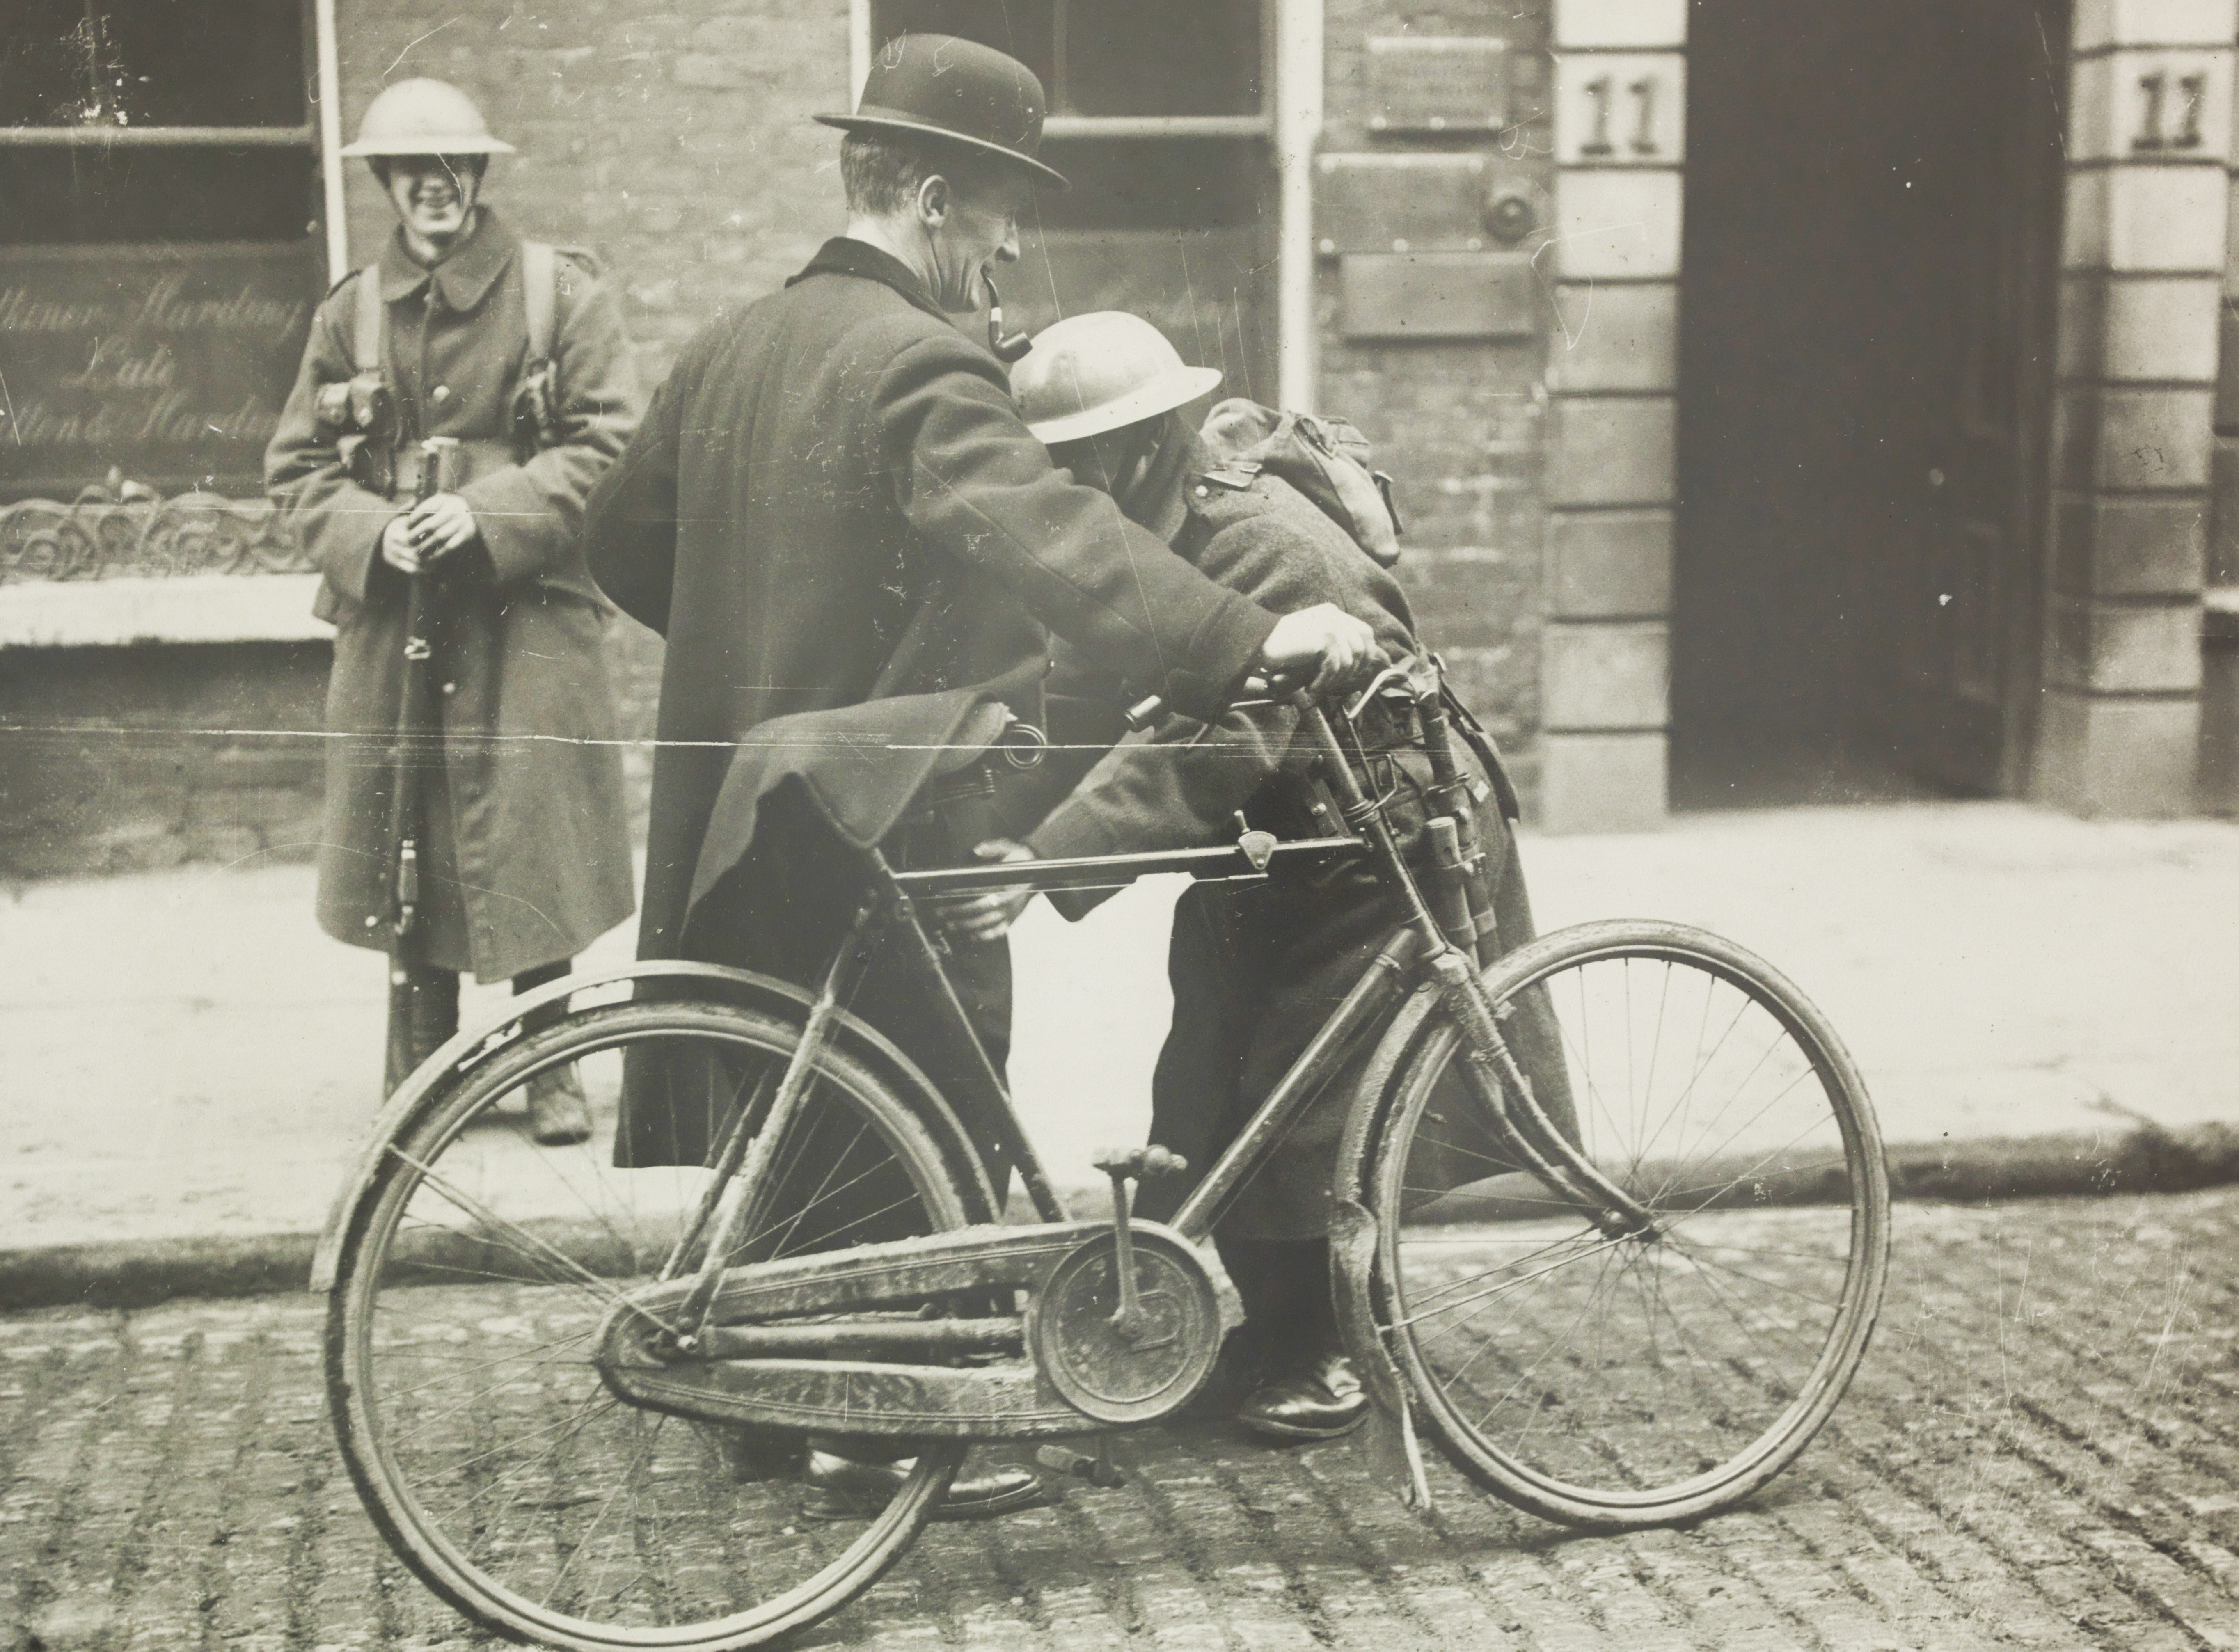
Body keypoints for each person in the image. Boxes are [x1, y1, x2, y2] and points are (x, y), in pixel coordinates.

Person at [583, 36, 1376, 1516]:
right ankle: (895, 1431)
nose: (1012, 249)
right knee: (929, 1097)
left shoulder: (732, 345)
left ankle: (769, 1401)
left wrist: (759, 652)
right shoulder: (917, 362)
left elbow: (623, 547)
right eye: (1006, 212)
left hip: (737, 808)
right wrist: (1252, 638)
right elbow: (1058, 545)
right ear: (938, 200)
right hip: (874, 804)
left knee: (793, 1092)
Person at [943, 311, 1552, 1444]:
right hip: (1292, 836)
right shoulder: (1163, 525)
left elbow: (1221, 732)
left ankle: (1320, 1352)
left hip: (1386, 840)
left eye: (1072, 467)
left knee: (1312, 1107)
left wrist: (1049, 860)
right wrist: (991, 805)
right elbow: (1092, 687)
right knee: (1208, 1084)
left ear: (1130, 451)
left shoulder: (1262, 541)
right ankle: (1267, 1331)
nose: (1065, 493)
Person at [266, 79, 641, 1140]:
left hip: (528, 613)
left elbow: (614, 440)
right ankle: (421, 1049)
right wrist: (370, 532)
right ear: (388, 183)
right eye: (411, 173)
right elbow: (294, 466)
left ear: (478, 177)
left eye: (453, 171)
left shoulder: (558, 295)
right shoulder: (350, 313)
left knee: (532, 827)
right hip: (396, 618)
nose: (434, 190)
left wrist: (487, 512)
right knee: (409, 821)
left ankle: (549, 1052)